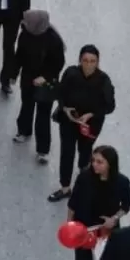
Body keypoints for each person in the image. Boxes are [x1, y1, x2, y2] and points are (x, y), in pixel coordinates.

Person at [67, 146, 130, 260]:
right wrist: (70, 226)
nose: (94, 165)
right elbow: (73, 203)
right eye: (93, 160)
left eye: (99, 162)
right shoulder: (84, 177)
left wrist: (114, 219)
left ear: (110, 164)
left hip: (106, 231)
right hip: (84, 228)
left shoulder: (122, 182)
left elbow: (126, 206)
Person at [49, 45, 117, 203]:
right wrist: (65, 108)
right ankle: (65, 187)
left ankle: (85, 181)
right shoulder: (71, 73)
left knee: (85, 154)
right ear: (80, 60)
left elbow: (110, 105)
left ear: (98, 62)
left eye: (93, 61)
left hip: (90, 125)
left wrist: (91, 114)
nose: (88, 65)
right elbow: (60, 92)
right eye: (85, 61)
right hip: (69, 122)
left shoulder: (104, 81)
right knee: (67, 153)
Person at [12, 10, 67, 163]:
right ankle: (23, 131)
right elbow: (19, 56)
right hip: (28, 78)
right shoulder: (25, 34)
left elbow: (58, 63)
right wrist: (13, 73)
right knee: (26, 106)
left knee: (43, 115)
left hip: (46, 84)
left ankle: (43, 150)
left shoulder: (53, 40)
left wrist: (45, 77)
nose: (25, 23)